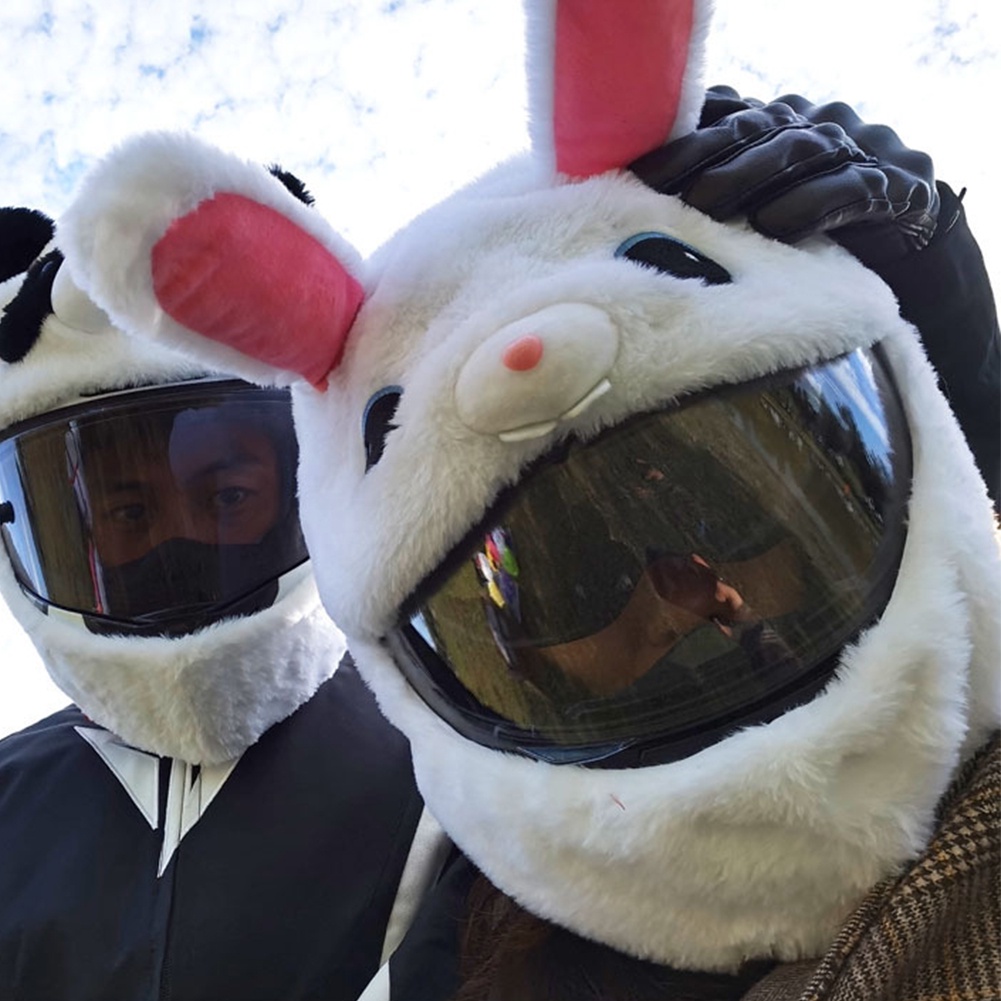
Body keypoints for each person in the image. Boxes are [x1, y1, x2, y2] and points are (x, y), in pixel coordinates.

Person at [50, 2, 1000, 997]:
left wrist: (956, 376)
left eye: (724, 506)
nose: (681, 588)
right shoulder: (466, 914)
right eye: (569, 577)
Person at [0, 194, 447, 1001]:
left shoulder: (448, 764)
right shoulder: (10, 794)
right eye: (128, 512)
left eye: (227, 496)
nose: (177, 539)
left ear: (304, 484)